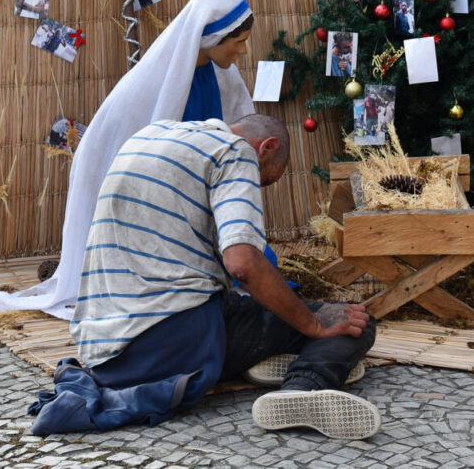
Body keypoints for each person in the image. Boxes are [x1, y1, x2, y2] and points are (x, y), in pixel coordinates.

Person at [28, 115, 381, 439]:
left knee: (248, 308)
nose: (258, 189)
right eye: (265, 179)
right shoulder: (235, 152)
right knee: (354, 320)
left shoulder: (150, 134)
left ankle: (263, 363)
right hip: (177, 344)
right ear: (267, 147)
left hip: (105, 350)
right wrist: (313, 324)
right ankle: (303, 389)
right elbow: (242, 264)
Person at [0, 0, 263, 319]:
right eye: (238, 41)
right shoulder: (153, 82)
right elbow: (122, 152)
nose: (243, 51)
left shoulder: (223, 76)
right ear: (210, 38)